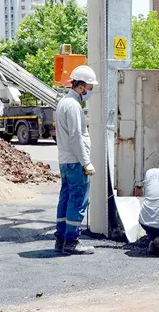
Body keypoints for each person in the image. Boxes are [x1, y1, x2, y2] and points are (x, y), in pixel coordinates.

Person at [54, 65, 98, 255]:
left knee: (65, 199)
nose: (90, 92)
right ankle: (71, 242)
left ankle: (61, 239)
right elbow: (76, 136)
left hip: (66, 161)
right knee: (78, 200)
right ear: (80, 87)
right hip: (75, 161)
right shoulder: (72, 106)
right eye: (89, 88)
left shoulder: (63, 103)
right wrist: (86, 162)